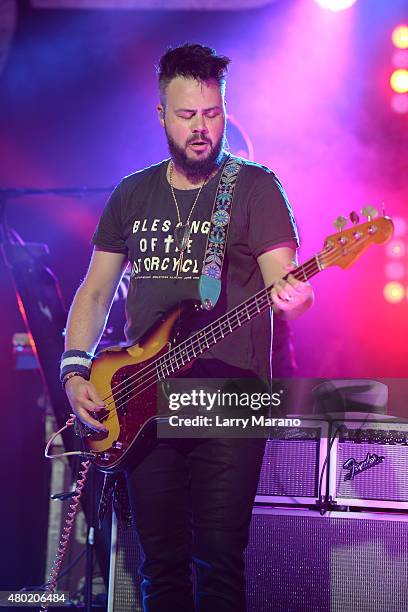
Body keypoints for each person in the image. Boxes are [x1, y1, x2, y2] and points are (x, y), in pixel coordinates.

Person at [62, 43, 314, 612]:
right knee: (161, 568)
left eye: (212, 113)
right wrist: (76, 367)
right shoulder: (132, 193)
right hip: (143, 394)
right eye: (186, 115)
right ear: (160, 114)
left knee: (220, 564)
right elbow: (96, 289)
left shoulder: (255, 187)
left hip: (231, 395)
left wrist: (294, 295)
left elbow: (281, 275)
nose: (201, 129)